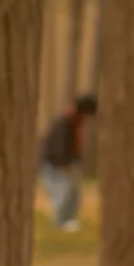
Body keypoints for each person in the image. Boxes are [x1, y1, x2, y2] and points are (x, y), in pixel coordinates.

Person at [37, 94, 97, 231]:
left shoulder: (74, 122)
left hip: (67, 162)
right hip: (56, 164)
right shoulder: (64, 122)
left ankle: (68, 219)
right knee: (62, 191)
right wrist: (62, 164)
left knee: (73, 192)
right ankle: (60, 221)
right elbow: (57, 145)